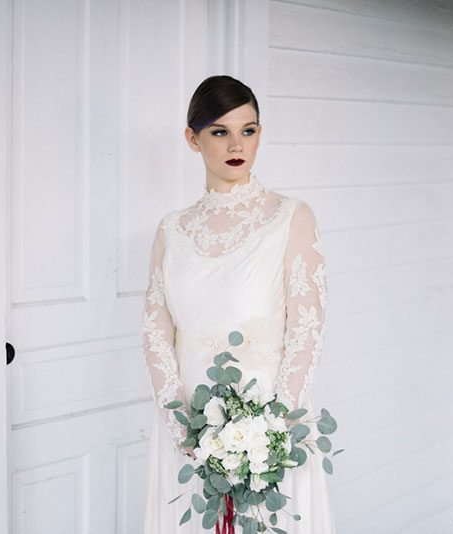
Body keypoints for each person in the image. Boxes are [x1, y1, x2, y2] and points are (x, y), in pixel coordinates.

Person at [140, 75, 335, 533]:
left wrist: (272, 434)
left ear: (260, 134)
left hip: (269, 426)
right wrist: (182, 429)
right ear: (193, 139)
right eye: (219, 131)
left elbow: (307, 327)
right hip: (190, 426)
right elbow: (155, 332)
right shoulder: (171, 230)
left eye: (248, 130)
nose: (237, 144)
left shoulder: (290, 217)